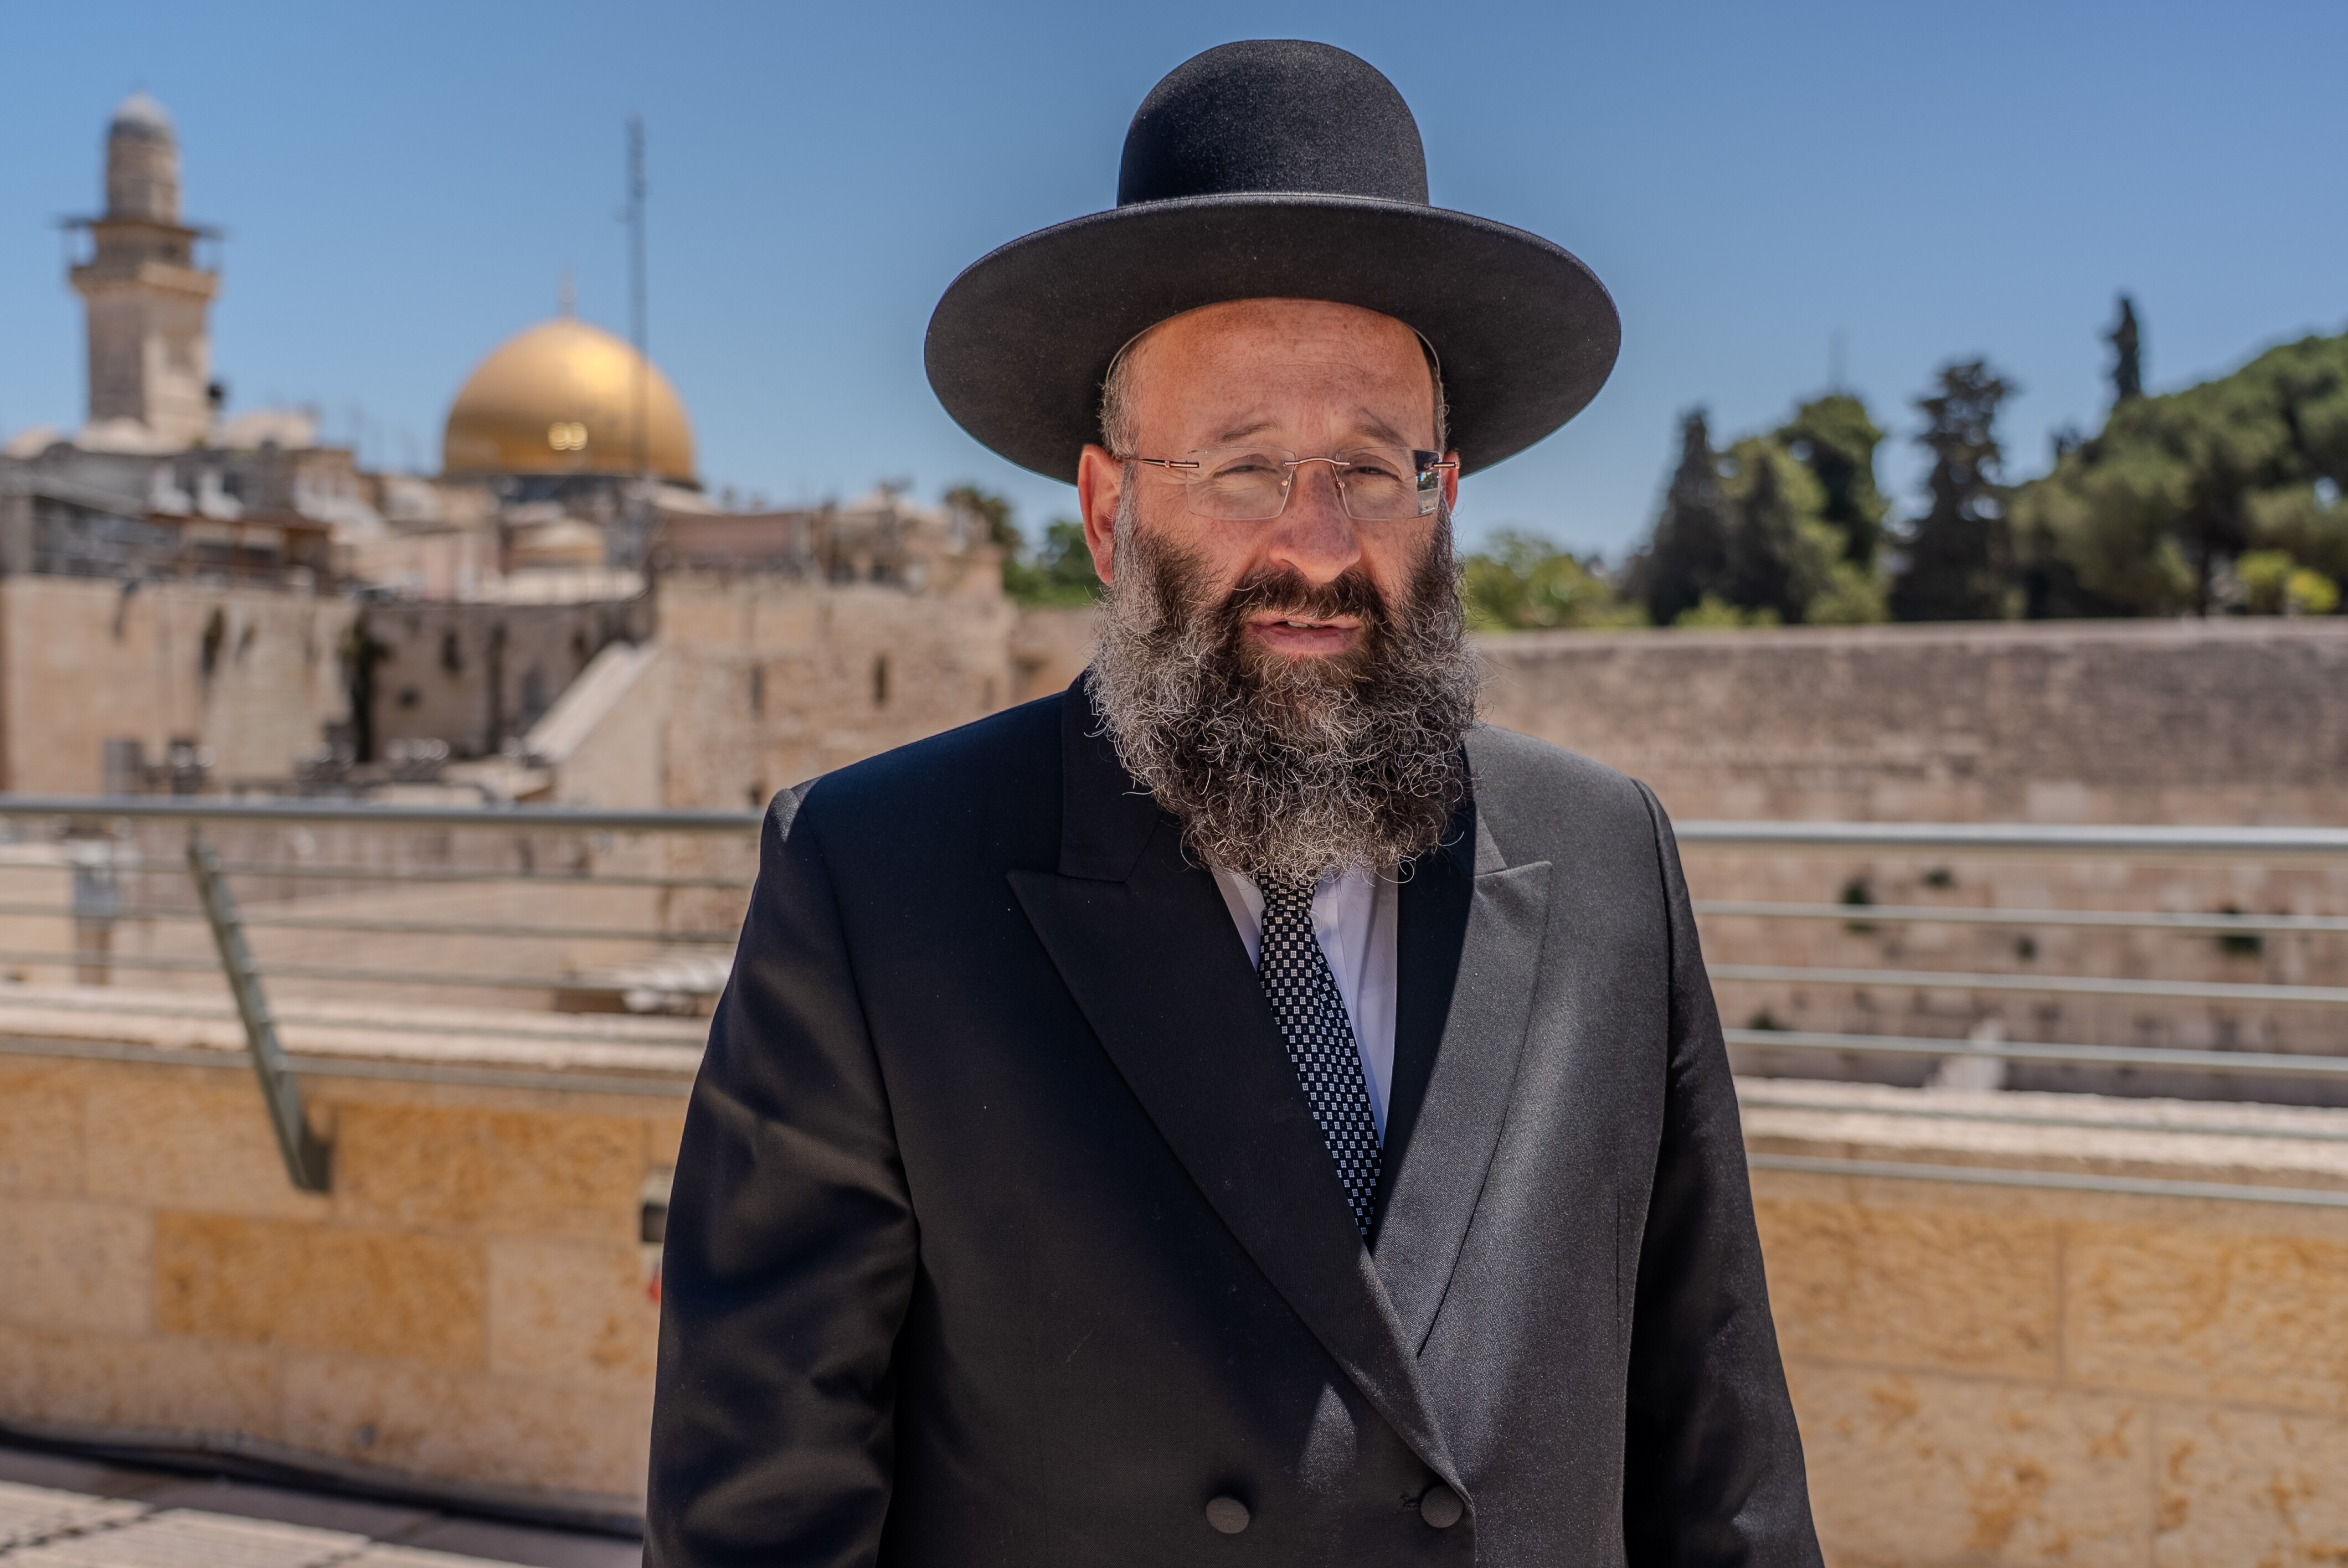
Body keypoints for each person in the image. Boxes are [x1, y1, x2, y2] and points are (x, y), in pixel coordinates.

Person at [648, 39, 1820, 1567]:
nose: (1318, 545)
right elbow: (758, 1516)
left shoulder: (1605, 859)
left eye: (1373, 469)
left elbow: (1721, 1459)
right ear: (1108, 510)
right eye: (1243, 466)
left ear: (1445, 499)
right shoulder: (878, 886)